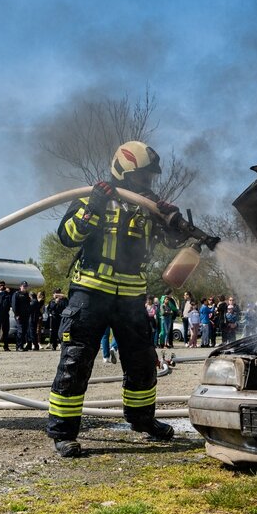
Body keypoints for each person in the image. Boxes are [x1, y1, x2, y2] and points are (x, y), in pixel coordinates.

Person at [47, 140, 185, 457]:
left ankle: (142, 420)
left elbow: (170, 242)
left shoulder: (148, 207)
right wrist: (94, 204)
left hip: (131, 297)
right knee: (75, 363)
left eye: (150, 177)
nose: (147, 183)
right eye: (143, 176)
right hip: (90, 293)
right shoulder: (89, 196)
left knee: (142, 363)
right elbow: (68, 236)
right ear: (123, 170)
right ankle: (64, 433)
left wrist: (172, 220)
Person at [12, 281, 31, 351]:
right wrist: (16, 314)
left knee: (24, 331)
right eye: (23, 286)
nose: (25, 288)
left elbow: (28, 305)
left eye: (26, 286)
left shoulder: (26, 295)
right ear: (20, 287)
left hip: (26, 316)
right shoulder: (16, 294)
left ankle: (22, 346)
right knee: (20, 330)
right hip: (19, 316)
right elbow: (14, 305)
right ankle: (18, 346)